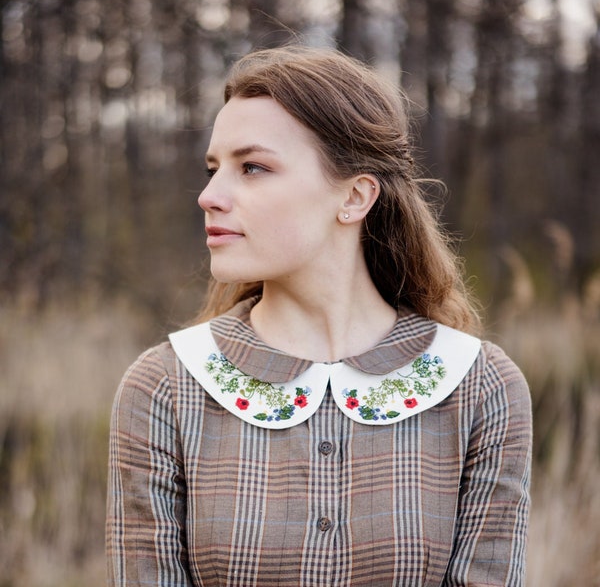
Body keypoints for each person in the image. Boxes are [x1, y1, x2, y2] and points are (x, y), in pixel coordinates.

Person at [106, 45, 532, 586]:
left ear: (354, 197)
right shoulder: (164, 387)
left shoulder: (479, 386)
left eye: (253, 167)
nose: (209, 196)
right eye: (213, 169)